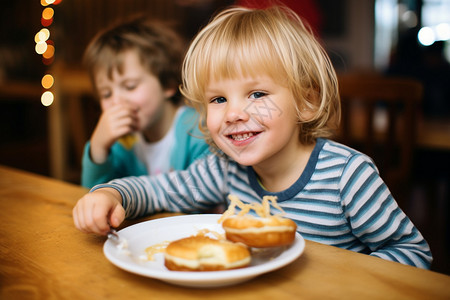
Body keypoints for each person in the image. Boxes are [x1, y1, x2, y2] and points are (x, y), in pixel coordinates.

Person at [73, 6, 432, 269]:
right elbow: (160, 190)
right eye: (218, 99)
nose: (233, 113)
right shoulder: (224, 168)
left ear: (306, 102)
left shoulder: (347, 176)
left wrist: (343, 279)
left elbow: (412, 253)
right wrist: (112, 192)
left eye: (257, 94)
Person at [80, 16, 210, 188]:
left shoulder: (199, 131)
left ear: (168, 84)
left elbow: (204, 196)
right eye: (106, 94)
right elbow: (95, 195)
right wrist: (98, 148)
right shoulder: (123, 143)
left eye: (130, 86)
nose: (116, 102)